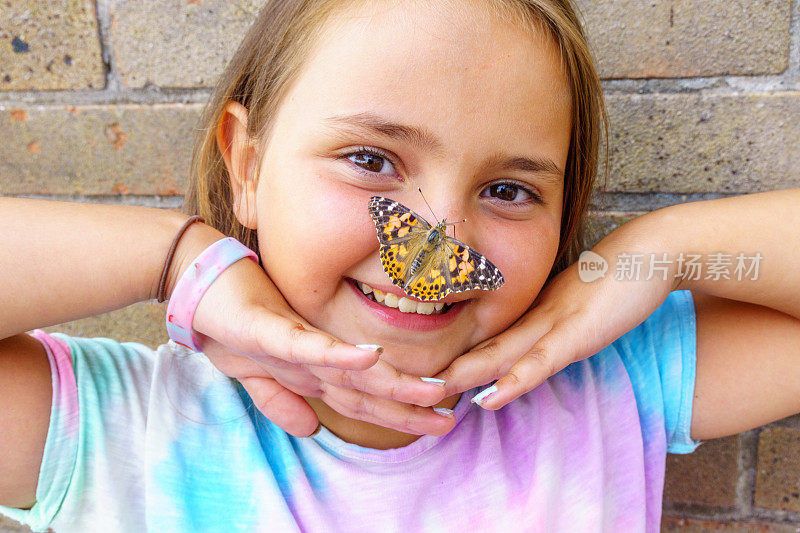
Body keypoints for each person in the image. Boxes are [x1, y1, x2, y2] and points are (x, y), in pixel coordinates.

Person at [1, 0, 799, 531]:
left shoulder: (611, 387)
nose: (437, 254)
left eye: (509, 189)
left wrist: (656, 253)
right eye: (370, 160)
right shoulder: (118, 431)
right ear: (248, 166)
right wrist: (175, 259)